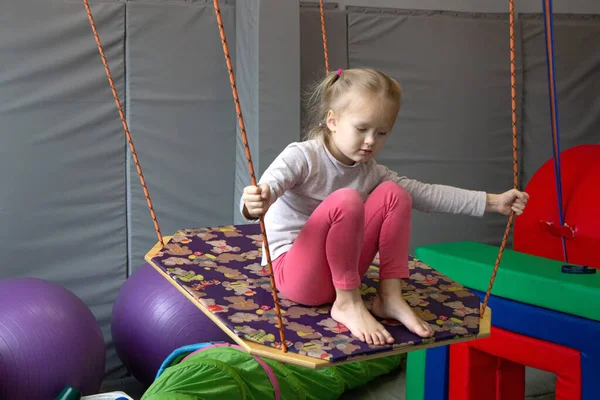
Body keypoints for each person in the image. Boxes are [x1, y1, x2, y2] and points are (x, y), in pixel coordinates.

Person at [240, 67, 529, 346]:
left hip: (343, 273)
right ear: (333, 120)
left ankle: (388, 296)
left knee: (396, 193)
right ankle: (348, 304)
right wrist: (254, 202)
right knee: (347, 199)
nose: (370, 141)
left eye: (381, 133)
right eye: (362, 128)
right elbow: (267, 188)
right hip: (296, 275)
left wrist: (494, 202)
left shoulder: (370, 171)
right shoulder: (303, 156)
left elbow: (426, 194)